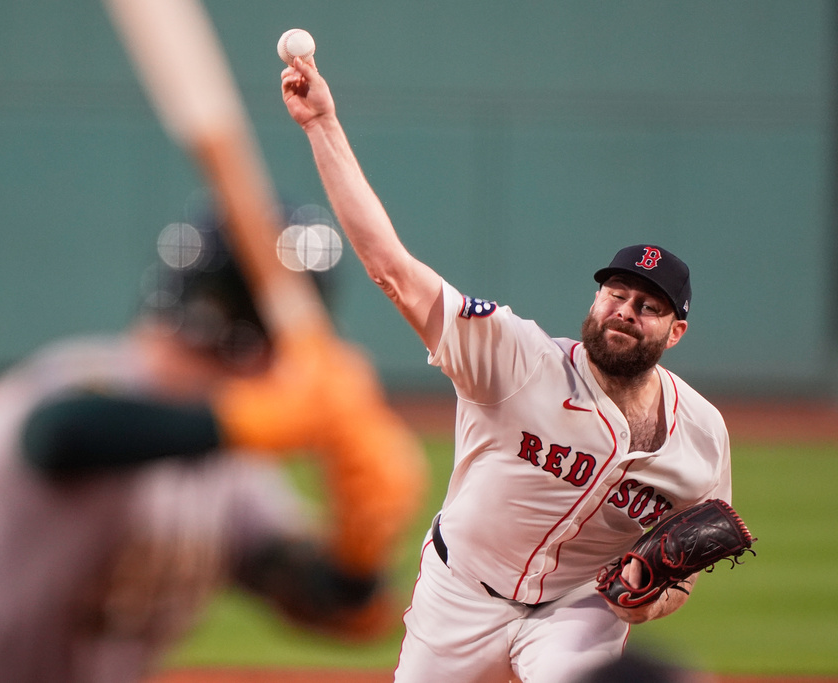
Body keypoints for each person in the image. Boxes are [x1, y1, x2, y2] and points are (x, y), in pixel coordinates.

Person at [281, 56, 732, 683]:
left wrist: (653, 596)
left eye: (648, 307)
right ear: (595, 298)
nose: (625, 312)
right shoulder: (515, 357)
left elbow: (689, 555)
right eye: (616, 295)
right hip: (462, 590)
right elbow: (392, 268)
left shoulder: (703, 435)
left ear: (675, 331)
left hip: (582, 608)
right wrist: (322, 124)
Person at [0, 200, 427, 683]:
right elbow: (60, 436)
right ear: (255, 346)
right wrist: (259, 419)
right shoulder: (78, 383)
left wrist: (360, 550)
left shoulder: (226, 470)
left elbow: (323, 601)